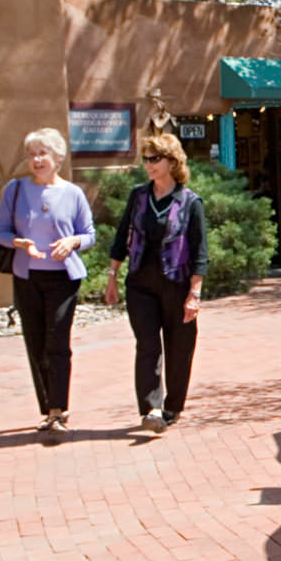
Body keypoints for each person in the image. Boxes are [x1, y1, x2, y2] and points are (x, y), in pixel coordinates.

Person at [0, 127, 96, 437]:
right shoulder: (16, 189)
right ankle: (47, 410)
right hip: (27, 276)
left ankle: (59, 410)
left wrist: (73, 241)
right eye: (32, 154)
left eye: (42, 153)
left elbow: (89, 234)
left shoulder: (73, 193)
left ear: (58, 157)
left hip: (63, 278)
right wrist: (20, 244)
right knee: (36, 344)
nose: (36, 159)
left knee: (57, 342)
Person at [104, 133, 209, 432]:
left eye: (154, 159)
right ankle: (151, 407)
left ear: (172, 162)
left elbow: (200, 252)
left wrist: (194, 294)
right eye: (146, 159)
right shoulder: (139, 196)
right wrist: (112, 276)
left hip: (176, 285)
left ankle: (172, 407)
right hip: (140, 285)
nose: (148, 165)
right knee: (148, 345)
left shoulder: (190, 203)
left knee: (179, 348)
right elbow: (121, 236)